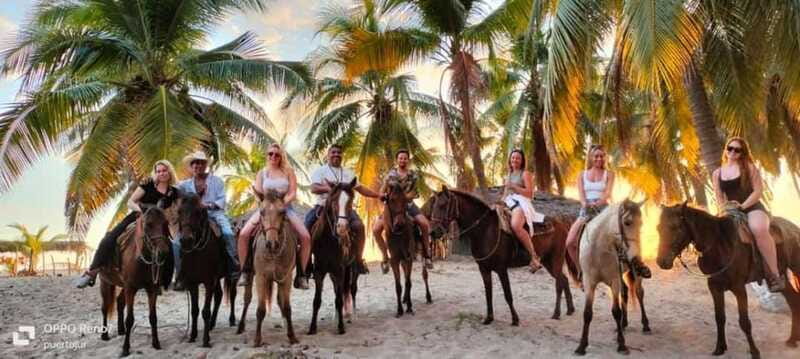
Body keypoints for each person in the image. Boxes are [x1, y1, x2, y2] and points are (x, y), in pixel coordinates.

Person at [75, 160, 179, 288]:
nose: (161, 173)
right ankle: (92, 272)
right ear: (155, 173)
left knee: (170, 246)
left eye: (164, 170)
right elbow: (130, 202)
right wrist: (143, 210)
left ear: (169, 171)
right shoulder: (148, 185)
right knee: (109, 238)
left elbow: (176, 209)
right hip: (137, 216)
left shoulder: (173, 192)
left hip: (157, 223)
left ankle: (166, 281)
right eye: (158, 171)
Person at [713, 137, 785, 292]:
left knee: (758, 229)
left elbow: (758, 191)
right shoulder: (717, 173)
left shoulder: (750, 168)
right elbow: (719, 196)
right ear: (726, 149)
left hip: (752, 207)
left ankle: (775, 274)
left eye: (737, 150)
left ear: (742, 153)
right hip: (730, 210)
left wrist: (743, 206)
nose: (732, 152)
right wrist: (724, 209)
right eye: (730, 148)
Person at [237, 144, 311, 289]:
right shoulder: (262, 173)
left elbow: (293, 192)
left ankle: (301, 274)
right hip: (266, 209)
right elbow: (258, 192)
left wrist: (283, 203)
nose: (273, 157)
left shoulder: (288, 172)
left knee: (305, 236)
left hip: (284, 208)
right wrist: (264, 204)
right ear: (267, 155)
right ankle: (245, 270)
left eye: (277, 154)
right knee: (244, 234)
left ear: (281, 156)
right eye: (270, 154)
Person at [304, 144, 383, 275]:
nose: (336, 154)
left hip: (345, 209)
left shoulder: (348, 173)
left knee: (359, 226)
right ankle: (307, 264)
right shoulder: (321, 171)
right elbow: (313, 188)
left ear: (342, 156)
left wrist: (378, 195)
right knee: (307, 226)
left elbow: (361, 188)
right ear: (328, 155)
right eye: (333, 152)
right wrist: (331, 189)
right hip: (323, 207)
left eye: (339, 153)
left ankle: (358, 260)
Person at [172, 151, 239, 291]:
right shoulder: (185, 185)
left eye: (201, 162)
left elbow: (221, 200)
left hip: (214, 213)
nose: (197, 165)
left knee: (227, 233)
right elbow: (171, 191)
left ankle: (233, 265)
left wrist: (208, 205)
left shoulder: (217, 181)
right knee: (177, 242)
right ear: (191, 166)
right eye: (195, 163)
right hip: (194, 216)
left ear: (205, 165)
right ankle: (180, 275)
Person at [372, 149, 434, 274]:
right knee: (376, 230)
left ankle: (427, 254)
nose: (403, 160)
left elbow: (414, 192)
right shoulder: (390, 175)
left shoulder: (413, 175)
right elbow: (382, 190)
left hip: (408, 205)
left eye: (405, 158)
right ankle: (385, 256)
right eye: (400, 158)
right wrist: (383, 196)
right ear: (397, 160)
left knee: (425, 224)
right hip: (393, 206)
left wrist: (404, 198)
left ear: (408, 160)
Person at [566, 145, 614, 269]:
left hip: (602, 208)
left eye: (602, 156)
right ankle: (580, 269)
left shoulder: (609, 174)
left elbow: (607, 193)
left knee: (617, 238)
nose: (599, 159)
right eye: (596, 156)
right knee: (570, 242)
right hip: (586, 208)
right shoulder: (582, 174)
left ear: (605, 158)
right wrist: (585, 204)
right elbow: (581, 194)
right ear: (591, 158)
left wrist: (598, 203)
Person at [502, 149, 544, 273]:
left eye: (518, 158)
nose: (515, 160)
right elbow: (505, 193)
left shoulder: (525, 174)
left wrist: (514, 186)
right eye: (513, 157)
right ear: (510, 159)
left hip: (521, 202)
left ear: (522, 161)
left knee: (516, 226)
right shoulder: (508, 175)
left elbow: (530, 194)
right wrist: (500, 202)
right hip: (507, 202)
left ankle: (534, 257)